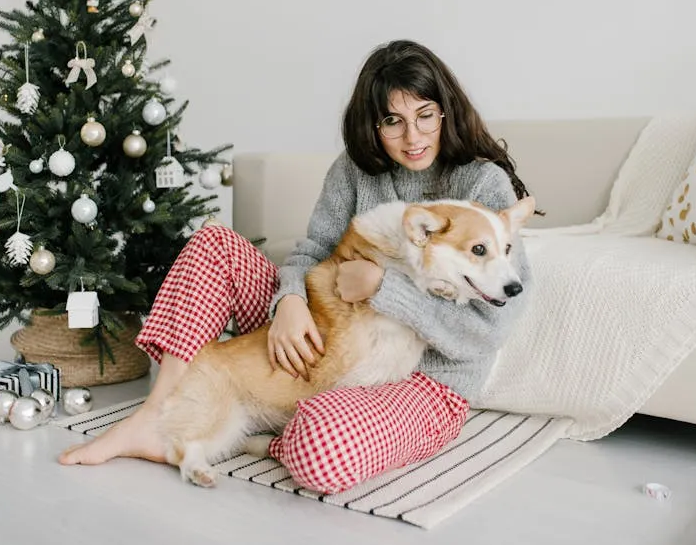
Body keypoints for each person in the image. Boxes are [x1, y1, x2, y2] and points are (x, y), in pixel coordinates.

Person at [59, 39, 534, 494]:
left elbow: (492, 329)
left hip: (422, 384)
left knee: (321, 449)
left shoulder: (483, 184)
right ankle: (156, 413)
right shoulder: (353, 170)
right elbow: (313, 250)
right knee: (213, 243)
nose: (413, 138)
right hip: (324, 336)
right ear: (372, 125)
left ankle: (274, 430)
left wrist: (382, 287)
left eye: (425, 115)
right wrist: (288, 301)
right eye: (393, 121)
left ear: (445, 110)